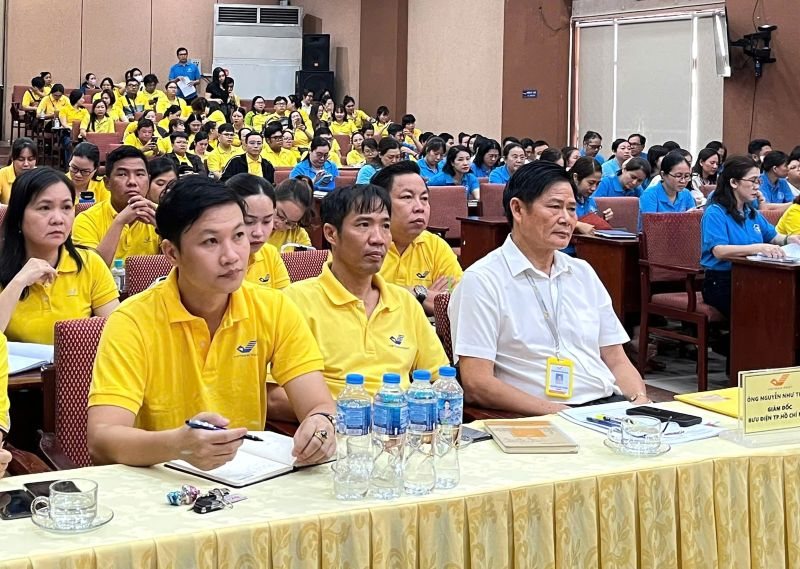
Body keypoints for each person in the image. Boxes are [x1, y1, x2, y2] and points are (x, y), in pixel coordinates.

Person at [86, 176, 336, 469]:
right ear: (172, 252)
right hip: (160, 483)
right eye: (211, 241)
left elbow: (319, 404)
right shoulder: (132, 321)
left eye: (239, 236)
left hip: (249, 481)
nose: (232, 256)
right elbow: (102, 439)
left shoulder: (274, 307)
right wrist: (178, 446)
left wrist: (321, 426)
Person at [449, 161, 649, 414]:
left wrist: (640, 403)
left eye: (572, 209)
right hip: (544, 416)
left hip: (607, 408)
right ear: (518, 209)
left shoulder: (582, 272)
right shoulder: (483, 280)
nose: (566, 219)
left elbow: (616, 358)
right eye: (555, 207)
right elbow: (477, 383)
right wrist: (563, 415)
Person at [277, 183, 448, 400]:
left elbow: (440, 380)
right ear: (331, 233)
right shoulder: (295, 302)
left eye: (385, 226)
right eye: (363, 224)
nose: (378, 239)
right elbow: (274, 395)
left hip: (401, 427)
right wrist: (357, 414)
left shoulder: (405, 302)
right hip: (332, 427)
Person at [0, 168, 118, 344]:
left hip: (77, 370)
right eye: (44, 208)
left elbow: (119, 334)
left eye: (66, 207)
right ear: (18, 216)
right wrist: (19, 282)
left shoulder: (89, 264)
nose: (58, 219)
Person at [701, 156, 800, 319]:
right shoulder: (715, 212)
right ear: (734, 182)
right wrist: (759, 248)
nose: (757, 188)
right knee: (763, 307)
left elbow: (773, 236)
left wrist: (790, 239)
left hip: (753, 276)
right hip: (722, 281)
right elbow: (719, 251)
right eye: (753, 181)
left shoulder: (750, 212)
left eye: (758, 182)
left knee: (786, 301)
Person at [371, 161, 463, 315]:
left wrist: (412, 293)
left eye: (424, 198)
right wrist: (422, 295)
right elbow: (360, 301)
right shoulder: (361, 246)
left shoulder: (435, 246)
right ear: (379, 204)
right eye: (407, 197)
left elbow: (457, 302)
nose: (419, 207)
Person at [73, 146, 159, 265]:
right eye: (123, 174)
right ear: (107, 183)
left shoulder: (158, 215)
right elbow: (91, 273)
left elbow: (179, 266)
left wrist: (164, 230)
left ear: (148, 181)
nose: (132, 182)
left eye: (139, 174)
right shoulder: (86, 220)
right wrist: (119, 222)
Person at [225, 173, 290, 290]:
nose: (258, 233)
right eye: (249, 222)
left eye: (267, 221)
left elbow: (283, 301)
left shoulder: (270, 254)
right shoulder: (215, 260)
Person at [638, 151, 695, 228]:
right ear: (663, 175)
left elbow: (693, 224)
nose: (683, 181)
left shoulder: (686, 194)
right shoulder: (650, 195)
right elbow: (650, 227)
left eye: (687, 176)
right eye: (678, 176)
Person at [268, 178, 314, 251]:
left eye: (289, 223)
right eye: (279, 215)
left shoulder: (298, 234)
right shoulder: (254, 228)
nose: (280, 224)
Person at [0, 137, 37, 204]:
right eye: (21, 159)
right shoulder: (2, 175)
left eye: (30, 159)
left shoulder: (40, 177)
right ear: (12, 158)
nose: (26, 164)